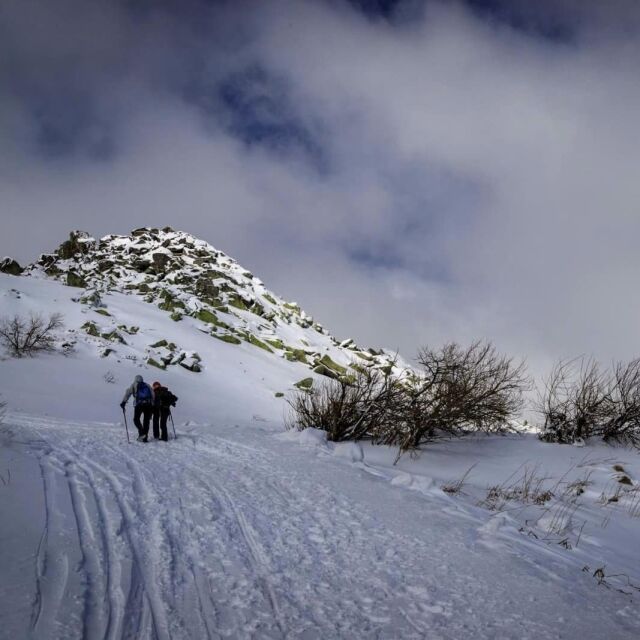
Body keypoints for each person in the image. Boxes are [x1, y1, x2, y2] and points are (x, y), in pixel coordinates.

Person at [120, 375, 153, 442]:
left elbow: (128, 393)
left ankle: (142, 433)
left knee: (136, 419)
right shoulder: (147, 385)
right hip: (148, 405)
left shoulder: (134, 384)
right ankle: (145, 438)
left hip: (139, 405)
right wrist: (152, 404)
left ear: (135, 379)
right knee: (146, 421)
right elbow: (153, 394)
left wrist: (123, 402)